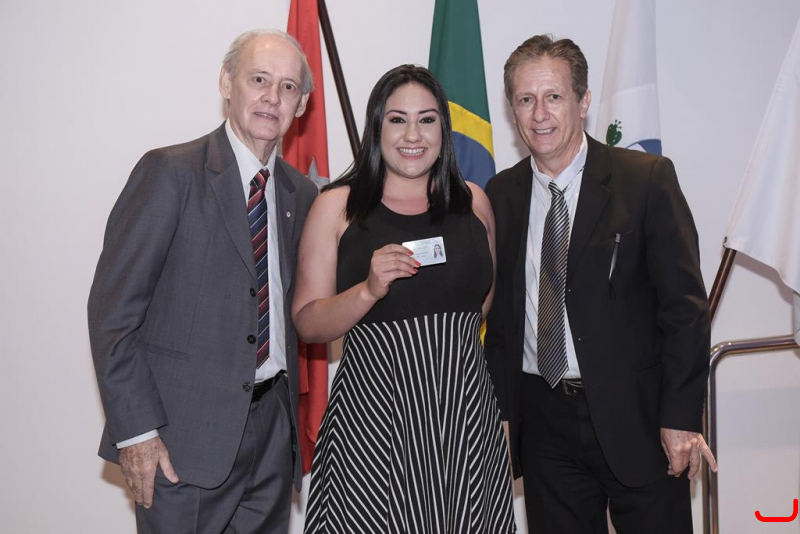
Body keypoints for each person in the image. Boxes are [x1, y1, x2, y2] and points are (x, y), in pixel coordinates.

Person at [484, 35, 717, 533]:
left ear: (583, 101)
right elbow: (501, 322)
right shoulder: (501, 194)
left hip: (638, 417)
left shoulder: (645, 180)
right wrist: (501, 412)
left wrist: (681, 416)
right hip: (543, 423)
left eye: (554, 96)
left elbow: (685, 310)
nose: (540, 114)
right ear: (512, 109)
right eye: (525, 99)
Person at [88, 29, 318, 533]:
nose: (271, 97)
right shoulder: (170, 172)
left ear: (300, 105)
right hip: (180, 443)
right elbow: (113, 315)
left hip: (271, 438)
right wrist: (137, 433)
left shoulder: (300, 194)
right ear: (226, 83)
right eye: (258, 79)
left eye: (287, 87)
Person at [292, 65, 515, 533]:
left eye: (427, 119)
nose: (413, 134)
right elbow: (308, 323)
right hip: (374, 425)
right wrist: (367, 290)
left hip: (465, 425)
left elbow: (482, 306)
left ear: (443, 129)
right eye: (398, 119)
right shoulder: (337, 206)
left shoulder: (475, 202)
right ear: (377, 127)